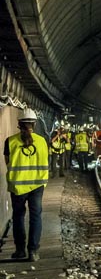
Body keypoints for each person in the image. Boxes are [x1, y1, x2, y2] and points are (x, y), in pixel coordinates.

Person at [3, 108, 48, 261]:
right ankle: (33, 251)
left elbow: (7, 162)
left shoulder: (10, 141)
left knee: (18, 217)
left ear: (19, 123)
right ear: (34, 124)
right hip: (37, 185)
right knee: (36, 217)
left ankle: (20, 250)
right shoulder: (42, 141)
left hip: (18, 186)